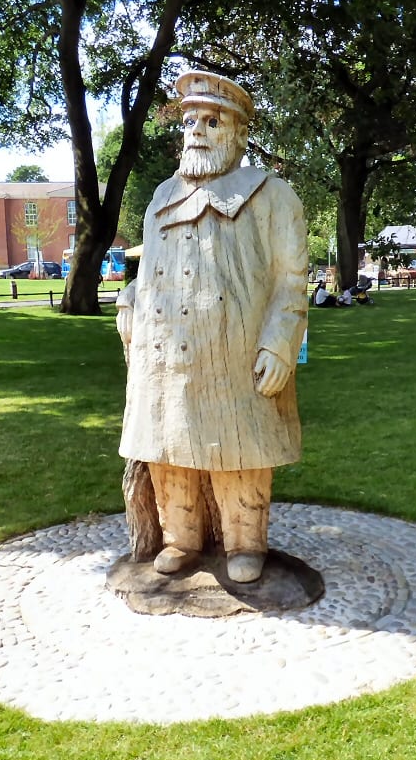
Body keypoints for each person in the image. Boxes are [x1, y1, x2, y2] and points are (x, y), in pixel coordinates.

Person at [116, 70, 307, 584]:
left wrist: (280, 343)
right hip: (164, 359)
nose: (197, 130)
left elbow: (291, 280)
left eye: (212, 120)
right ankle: (181, 540)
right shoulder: (161, 196)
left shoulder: (272, 195)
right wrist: (128, 300)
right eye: (190, 120)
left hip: (235, 355)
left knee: (237, 450)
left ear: (240, 134)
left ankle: (246, 543)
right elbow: (146, 270)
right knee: (168, 449)